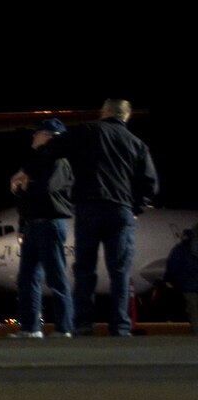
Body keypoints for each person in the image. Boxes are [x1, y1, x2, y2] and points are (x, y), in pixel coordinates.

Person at [56, 99, 160, 337]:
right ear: (126, 117)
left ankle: (83, 324)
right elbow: (150, 183)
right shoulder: (137, 144)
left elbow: (57, 148)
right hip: (120, 210)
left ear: (104, 112)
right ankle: (121, 326)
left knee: (85, 269)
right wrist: (136, 207)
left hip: (89, 208)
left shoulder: (89, 131)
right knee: (120, 271)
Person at [9, 118, 74, 339]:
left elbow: (49, 190)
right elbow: (26, 197)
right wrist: (22, 226)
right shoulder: (36, 162)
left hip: (50, 223)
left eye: (38, 133)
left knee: (56, 278)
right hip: (33, 225)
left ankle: (64, 327)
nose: (34, 136)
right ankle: (30, 327)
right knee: (27, 278)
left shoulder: (58, 161)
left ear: (49, 136)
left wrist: (27, 183)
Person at [163, 228, 197, 336]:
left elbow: (173, 264)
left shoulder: (181, 248)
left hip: (189, 285)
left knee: (194, 309)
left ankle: (196, 332)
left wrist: (168, 279)